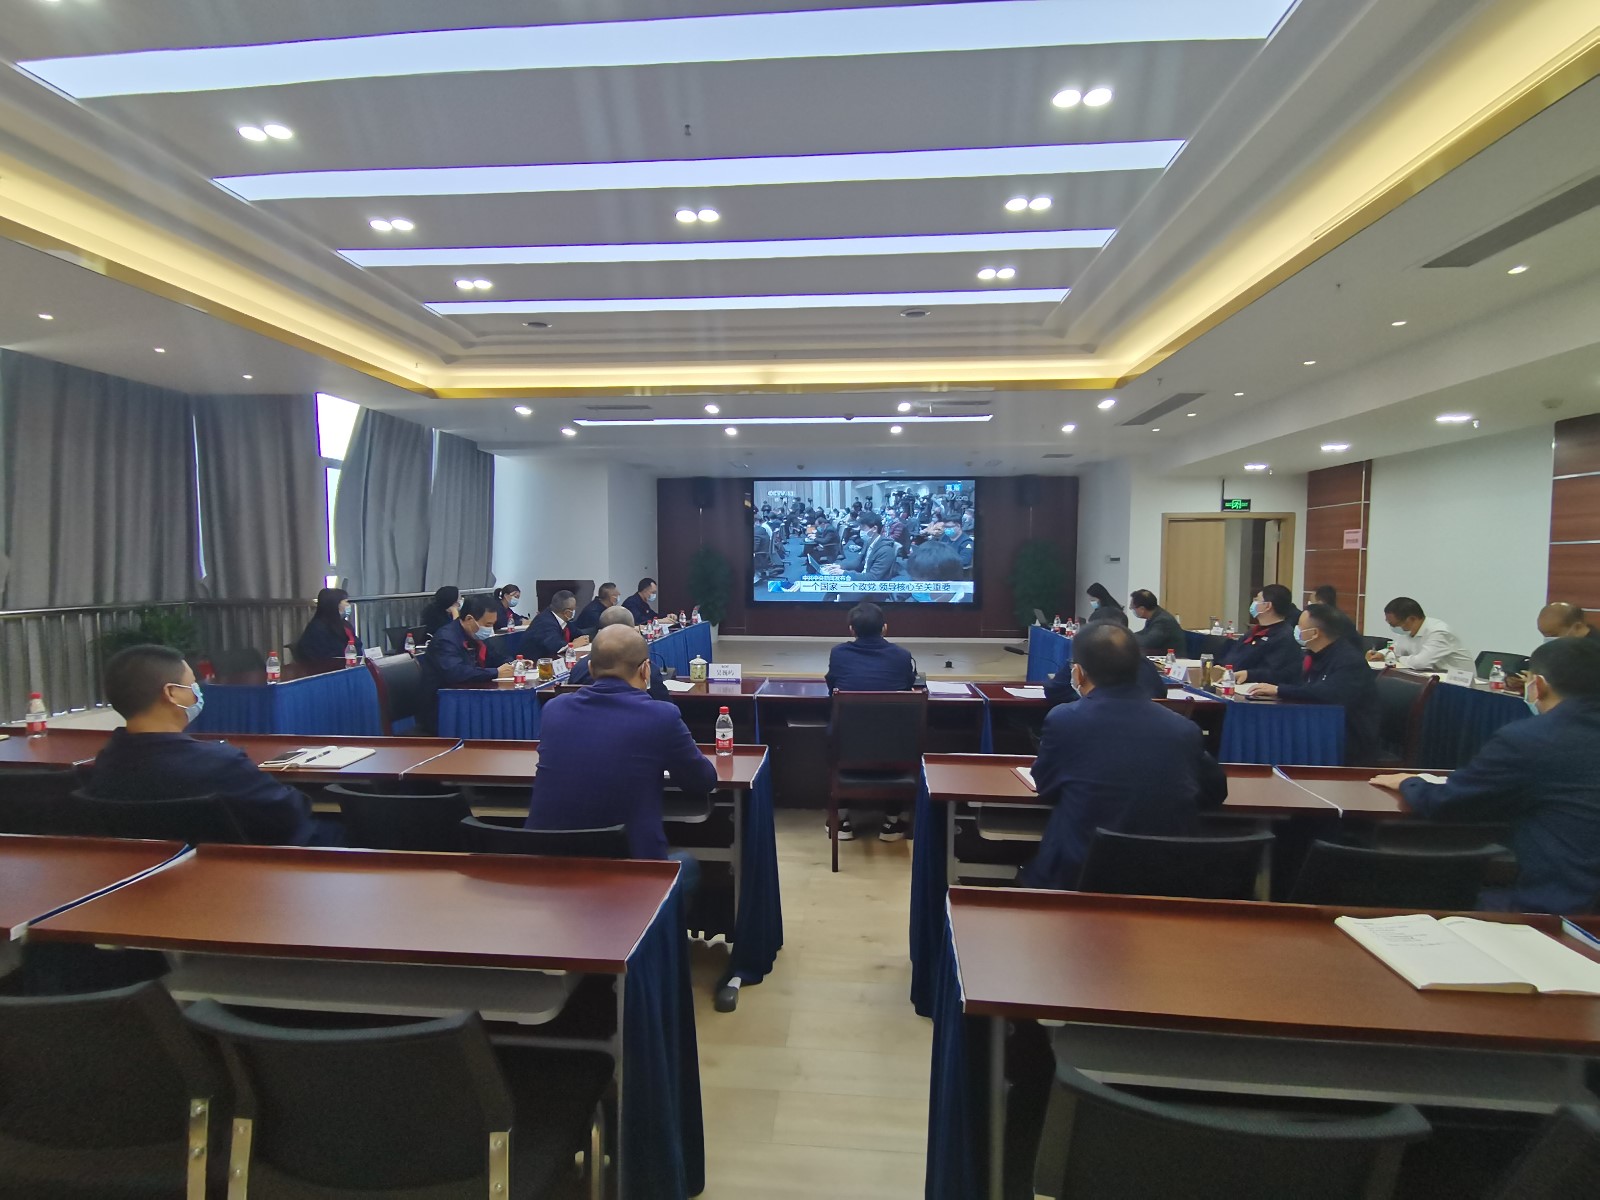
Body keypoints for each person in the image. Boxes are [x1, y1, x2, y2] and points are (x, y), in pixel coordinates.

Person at [1372, 638, 1600, 914]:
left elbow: (1450, 803)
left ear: (1538, 685)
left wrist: (1410, 783)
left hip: (1560, 909)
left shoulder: (1532, 739)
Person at [1020, 624, 1227, 889]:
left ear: (1078, 672)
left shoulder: (1064, 720)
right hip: (1164, 881)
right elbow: (1215, 792)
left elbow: (1046, 786)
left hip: (1081, 877)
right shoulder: (1183, 729)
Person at [525, 626, 715, 891]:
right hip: (633, 873)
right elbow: (702, 781)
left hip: (546, 867)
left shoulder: (554, 709)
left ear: (590, 669)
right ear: (646, 669)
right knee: (690, 865)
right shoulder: (662, 716)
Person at [89, 645, 340, 845]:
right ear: (172, 693)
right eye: (193, 684)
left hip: (153, 876)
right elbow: (288, 813)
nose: (198, 691)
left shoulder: (104, 763)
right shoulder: (221, 763)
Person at [823, 602, 919, 842]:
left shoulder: (838, 654)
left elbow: (831, 687)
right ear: (885, 628)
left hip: (847, 746)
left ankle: (841, 820)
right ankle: (892, 821)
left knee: (838, 736)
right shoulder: (902, 656)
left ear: (851, 629)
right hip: (895, 749)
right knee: (898, 735)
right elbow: (908, 688)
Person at [1247, 603, 1379, 764]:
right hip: (1319, 725)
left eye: (1299, 626)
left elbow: (1326, 693)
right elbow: (1302, 685)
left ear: (1315, 633)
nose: (1295, 629)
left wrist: (1279, 690)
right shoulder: (1315, 655)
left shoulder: (1349, 660)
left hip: (1348, 737)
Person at [418, 595, 516, 730]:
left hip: (470, 698)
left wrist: (514, 664)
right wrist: (496, 672)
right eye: (488, 625)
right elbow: (456, 672)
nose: (490, 629)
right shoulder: (446, 639)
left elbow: (495, 656)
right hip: (444, 708)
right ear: (470, 619)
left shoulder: (474, 635)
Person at [1042, 606, 1165, 708]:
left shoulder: (1084, 659)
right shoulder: (1143, 662)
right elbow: (1160, 694)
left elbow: (1054, 690)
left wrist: (1082, 698)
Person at [568, 606, 671, 701]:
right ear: (633, 632)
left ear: (599, 632)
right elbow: (663, 703)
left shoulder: (579, 668)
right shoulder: (646, 670)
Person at [1224, 583, 1303, 686]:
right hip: (1234, 681)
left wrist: (1249, 674)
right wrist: (1224, 667)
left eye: (1257, 600)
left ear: (1267, 606)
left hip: (1256, 688)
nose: (1253, 603)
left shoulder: (1284, 636)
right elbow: (1236, 653)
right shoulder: (1254, 631)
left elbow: (1275, 672)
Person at [1368, 596, 1471, 673]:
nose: (1394, 628)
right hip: (1430, 678)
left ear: (1412, 619)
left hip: (1459, 685)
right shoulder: (1407, 630)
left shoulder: (1439, 632)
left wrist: (1393, 659)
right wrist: (1381, 654)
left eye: (1395, 625)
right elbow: (1396, 649)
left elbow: (1420, 663)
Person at [821, 512, 896, 584]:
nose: (860, 530)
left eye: (863, 528)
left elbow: (873, 577)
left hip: (872, 587)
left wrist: (844, 573)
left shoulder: (886, 550)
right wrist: (840, 566)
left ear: (874, 528)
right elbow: (858, 562)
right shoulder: (869, 542)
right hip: (862, 579)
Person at [294, 587, 363, 663]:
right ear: (335, 604)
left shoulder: (345, 625)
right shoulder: (317, 628)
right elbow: (322, 656)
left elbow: (357, 644)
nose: (348, 605)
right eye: (346, 602)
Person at [525, 589, 591, 659]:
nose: (575, 611)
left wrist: (583, 639)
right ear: (567, 612)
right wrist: (574, 644)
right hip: (533, 662)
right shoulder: (545, 622)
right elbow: (556, 646)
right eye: (574, 609)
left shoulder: (564, 620)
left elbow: (578, 635)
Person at [1128, 589, 1184, 656]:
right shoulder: (1154, 615)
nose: (1131, 609)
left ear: (1142, 609)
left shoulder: (1163, 621)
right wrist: (1127, 635)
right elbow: (1144, 633)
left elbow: (1147, 641)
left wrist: (1126, 638)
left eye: (1132, 608)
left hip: (1172, 659)